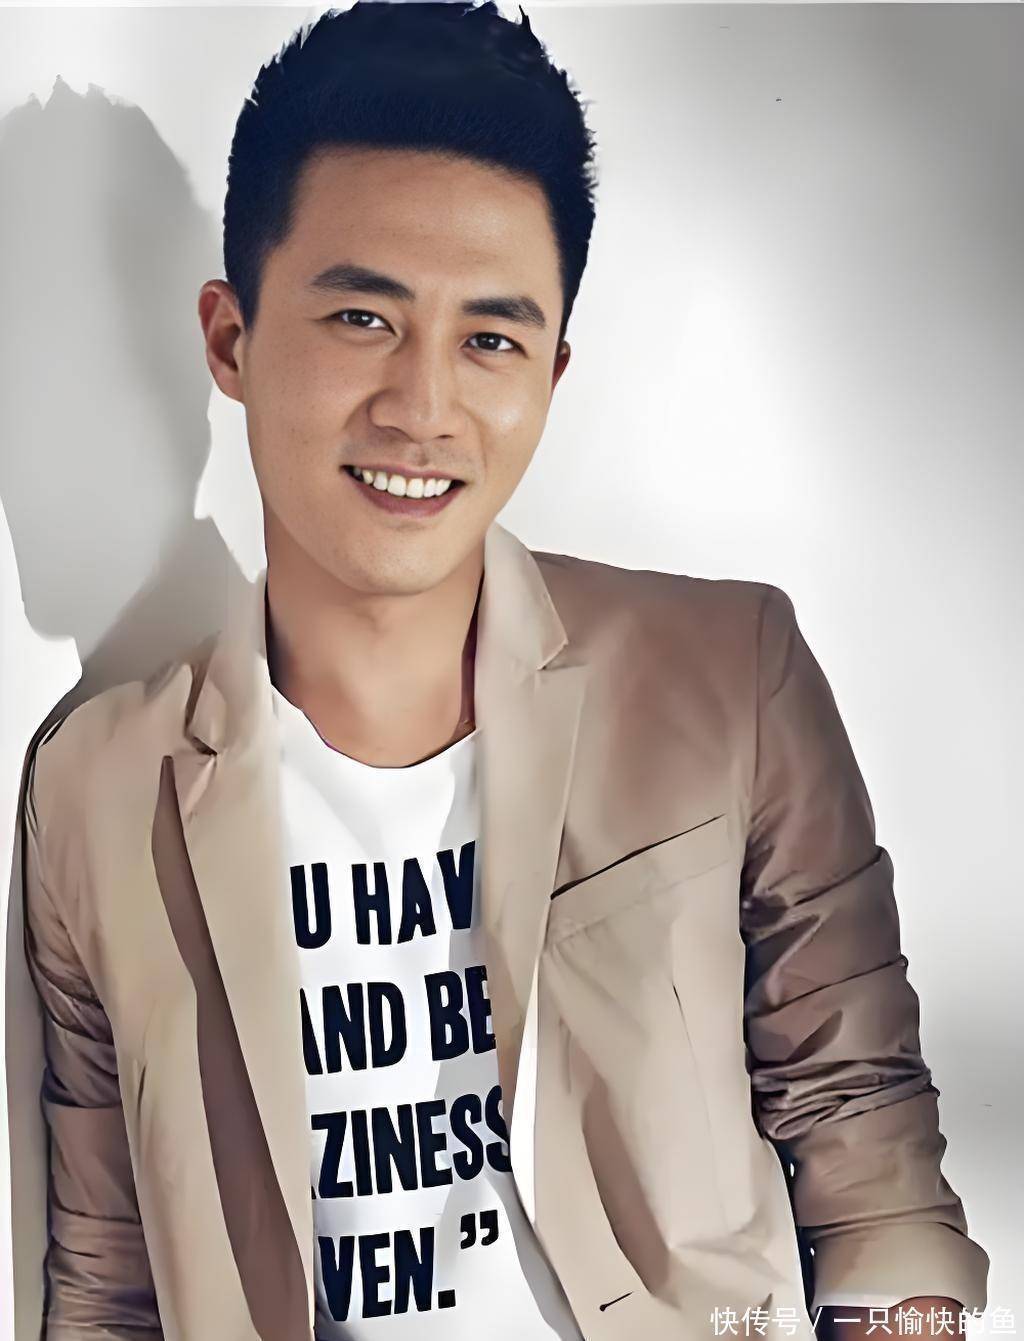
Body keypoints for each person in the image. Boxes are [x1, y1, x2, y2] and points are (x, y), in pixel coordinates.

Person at [17, 3, 988, 1338]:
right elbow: (108, 1279)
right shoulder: (97, 791)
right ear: (230, 340)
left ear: (553, 369)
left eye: (490, 339)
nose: (423, 406)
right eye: (362, 316)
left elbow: (865, 1135)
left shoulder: (729, 680)